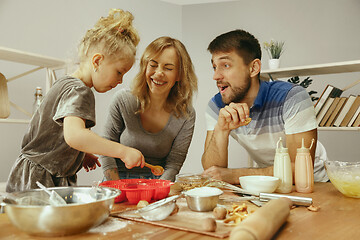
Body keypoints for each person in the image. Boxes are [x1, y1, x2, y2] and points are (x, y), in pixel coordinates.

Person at [6, 9, 145, 192]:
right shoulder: (80, 91)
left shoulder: (64, 83)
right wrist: (123, 151)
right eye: (119, 72)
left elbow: (57, 133)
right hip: (41, 181)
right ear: (97, 61)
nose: (120, 81)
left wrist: (81, 153)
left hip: (29, 174)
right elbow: (75, 136)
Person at [201, 29, 328, 184]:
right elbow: (212, 172)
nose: (216, 76)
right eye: (214, 67)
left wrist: (235, 175)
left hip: (314, 184)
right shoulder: (217, 106)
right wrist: (221, 130)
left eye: (225, 65)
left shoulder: (292, 98)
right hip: (265, 185)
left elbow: (299, 170)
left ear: (254, 68)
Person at [100, 36, 198, 182]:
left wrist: (158, 189)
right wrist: (115, 185)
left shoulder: (186, 114)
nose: (158, 73)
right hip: (117, 181)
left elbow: (174, 163)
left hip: (158, 182)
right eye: (153, 65)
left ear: (179, 75)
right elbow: (106, 146)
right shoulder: (123, 100)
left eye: (168, 68)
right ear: (145, 66)